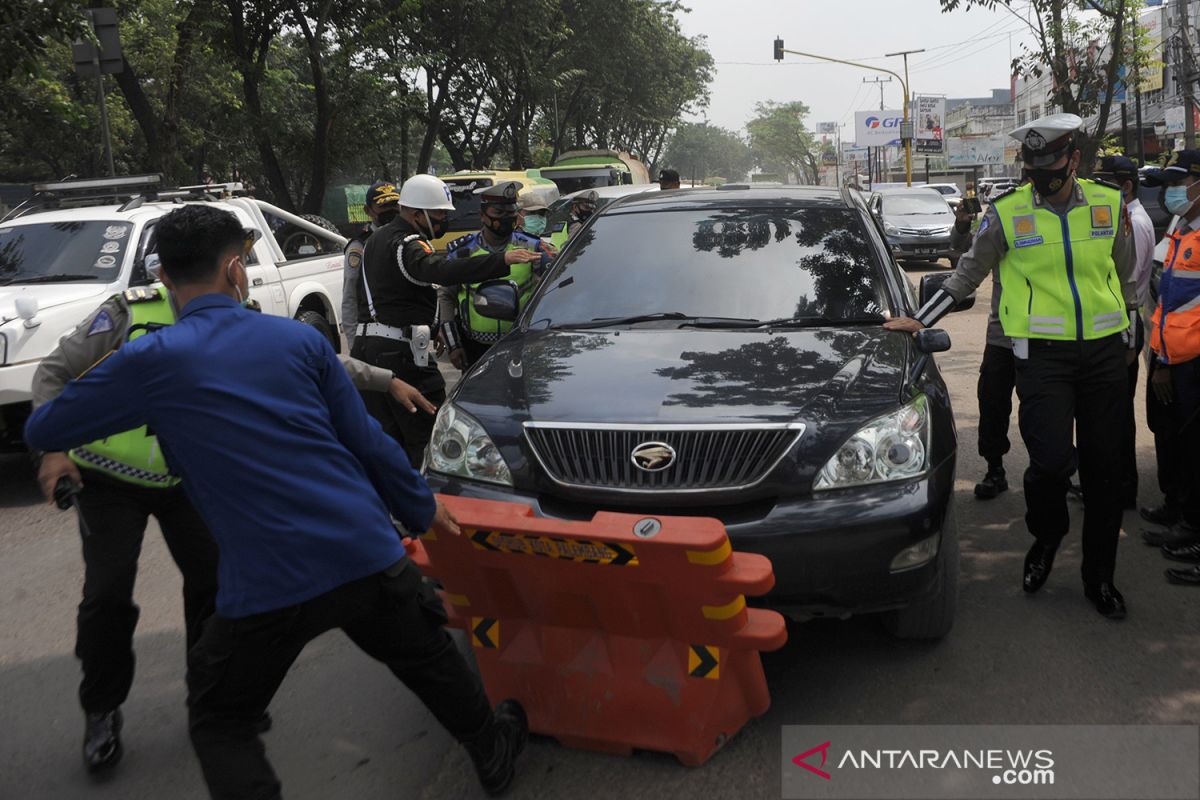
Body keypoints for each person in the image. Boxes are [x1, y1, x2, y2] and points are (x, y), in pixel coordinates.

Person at [24, 205, 529, 799]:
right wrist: (421, 509)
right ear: (236, 270)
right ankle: (490, 752)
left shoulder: (147, 360)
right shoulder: (296, 340)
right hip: (363, 551)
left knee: (219, 721)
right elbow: (366, 441)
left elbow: (44, 426)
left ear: (165, 277)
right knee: (427, 658)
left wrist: (116, 404)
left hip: (266, 583)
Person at [884, 113, 1139, 619]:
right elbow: (966, 275)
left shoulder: (1110, 206)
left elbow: (1126, 274)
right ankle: (1047, 536)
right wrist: (919, 319)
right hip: (1042, 357)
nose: (1041, 174)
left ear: (1074, 160)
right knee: (1048, 463)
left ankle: (1099, 577)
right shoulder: (1007, 213)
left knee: (1105, 470)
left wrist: (1134, 333)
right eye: (1032, 164)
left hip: (1106, 354)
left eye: (1051, 164)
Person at [350, 173, 539, 464]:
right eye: (438, 213)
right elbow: (437, 271)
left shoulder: (375, 240)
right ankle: (427, 505)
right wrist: (501, 261)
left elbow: (396, 297)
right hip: (402, 360)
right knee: (432, 442)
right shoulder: (408, 243)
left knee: (386, 448)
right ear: (416, 213)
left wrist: (433, 326)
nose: (443, 220)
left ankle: (392, 505)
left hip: (371, 352)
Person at [1140, 150, 1200, 586]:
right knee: (1183, 449)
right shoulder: (1182, 227)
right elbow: (1169, 296)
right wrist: (1161, 358)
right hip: (1175, 357)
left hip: (1196, 361)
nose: (1171, 192)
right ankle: (1186, 520)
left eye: (1180, 182)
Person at [1094, 155, 1155, 510]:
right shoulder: (1122, 217)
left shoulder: (1135, 222)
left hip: (1125, 329)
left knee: (1117, 415)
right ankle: (1113, 484)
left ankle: (1121, 489)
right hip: (1120, 328)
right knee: (1110, 413)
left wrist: (1130, 341)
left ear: (1126, 186)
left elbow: (1130, 285)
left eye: (1106, 183)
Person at [441, 181, 556, 368]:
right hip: (475, 348)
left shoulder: (534, 247)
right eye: (499, 213)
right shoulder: (462, 252)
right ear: (482, 216)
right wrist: (453, 345)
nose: (506, 218)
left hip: (521, 344)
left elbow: (556, 286)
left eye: (511, 212)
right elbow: (446, 296)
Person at [342, 180, 401, 348]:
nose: (391, 211)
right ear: (368, 211)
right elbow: (350, 297)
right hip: (374, 335)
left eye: (394, 204)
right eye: (384, 206)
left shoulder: (407, 237)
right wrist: (355, 343)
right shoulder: (359, 246)